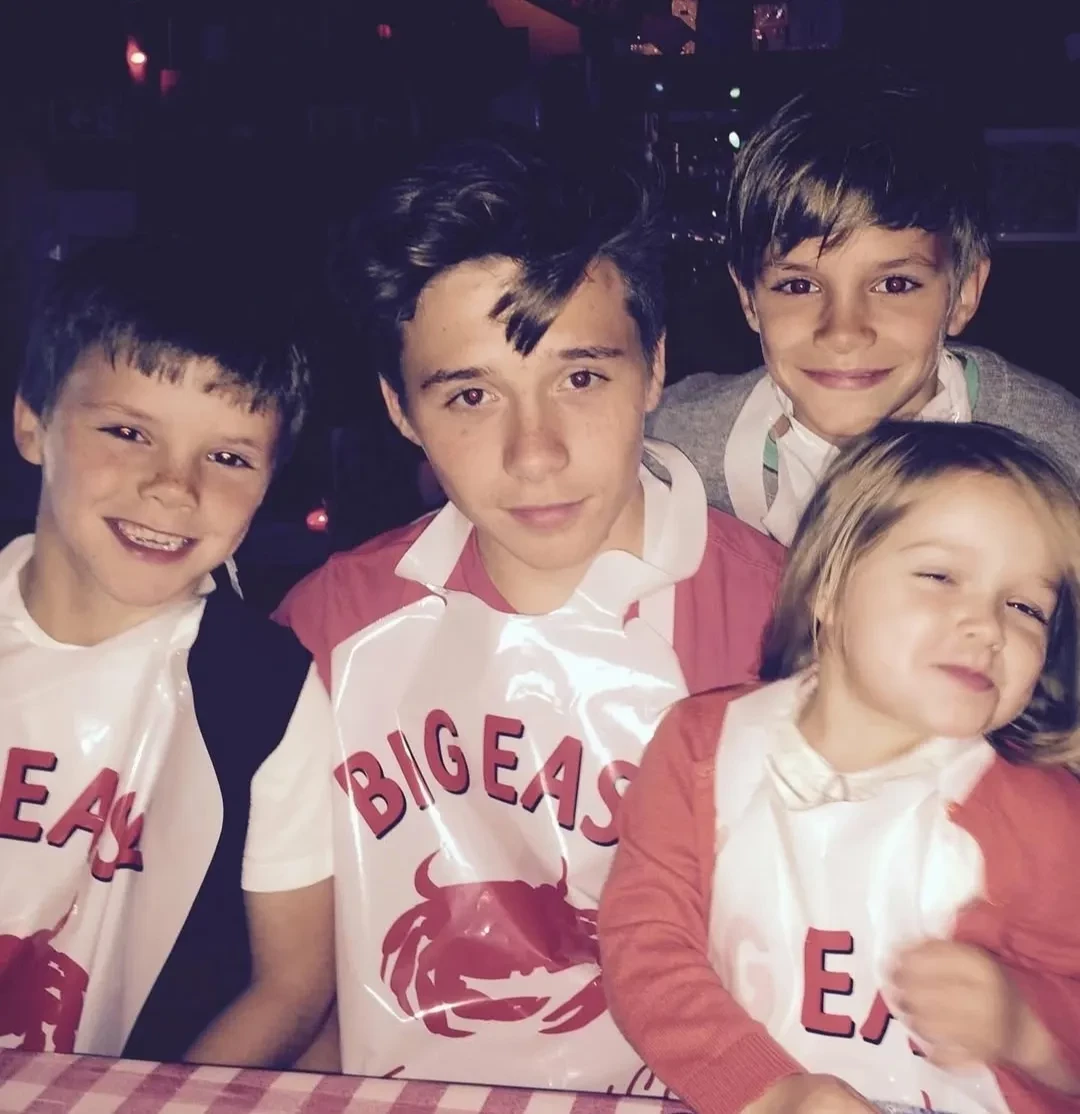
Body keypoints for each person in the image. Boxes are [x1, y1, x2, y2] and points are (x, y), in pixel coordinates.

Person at [275, 134, 784, 1092]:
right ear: (400, 410)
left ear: (655, 367)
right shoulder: (325, 628)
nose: (535, 452)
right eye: (471, 395)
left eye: (581, 377)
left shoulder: (790, 626)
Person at [600, 421, 1080, 1114]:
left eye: (1026, 607)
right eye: (940, 577)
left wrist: (1025, 1024)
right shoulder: (700, 748)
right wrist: (766, 1090)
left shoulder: (1047, 819)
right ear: (828, 588)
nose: (987, 626)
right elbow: (646, 948)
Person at [0, 237, 335, 1067]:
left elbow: (292, 985)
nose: (175, 487)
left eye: (227, 457)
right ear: (33, 422)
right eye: (127, 431)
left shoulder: (268, 693)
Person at [648, 77, 1080, 545]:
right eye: (798, 285)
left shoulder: (1061, 457)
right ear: (749, 299)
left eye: (894, 285)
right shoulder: (668, 448)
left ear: (963, 293)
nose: (843, 332)